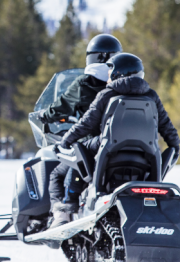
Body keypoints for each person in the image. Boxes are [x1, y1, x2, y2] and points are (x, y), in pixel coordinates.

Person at [49, 53, 180, 228]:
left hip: (108, 150)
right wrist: (175, 148)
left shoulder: (107, 94)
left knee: (78, 148)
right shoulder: (152, 96)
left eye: (111, 71)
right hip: (147, 155)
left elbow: (86, 124)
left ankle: (69, 202)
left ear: (119, 73)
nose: (108, 76)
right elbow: (167, 127)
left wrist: (65, 141)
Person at [41, 34, 122, 227]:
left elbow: (61, 107)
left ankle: (61, 217)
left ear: (93, 57)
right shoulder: (120, 84)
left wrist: (45, 115)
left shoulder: (83, 84)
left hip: (89, 147)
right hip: (120, 145)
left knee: (56, 174)